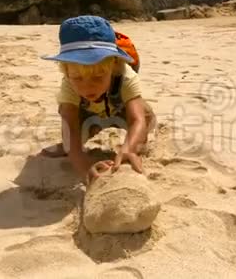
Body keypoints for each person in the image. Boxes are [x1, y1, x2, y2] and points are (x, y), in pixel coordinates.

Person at [40, 15, 156, 185]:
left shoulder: (124, 74)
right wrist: (85, 166)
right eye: (78, 78)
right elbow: (70, 125)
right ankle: (70, 146)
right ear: (65, 71)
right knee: (70, 140)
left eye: (98, 76)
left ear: (114, 65)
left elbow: (136, 119)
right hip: (86, 116)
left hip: (119, 110)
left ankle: (135, 145)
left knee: (145, 118)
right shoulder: (68, 85)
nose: (87, 87)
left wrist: (129, 148)